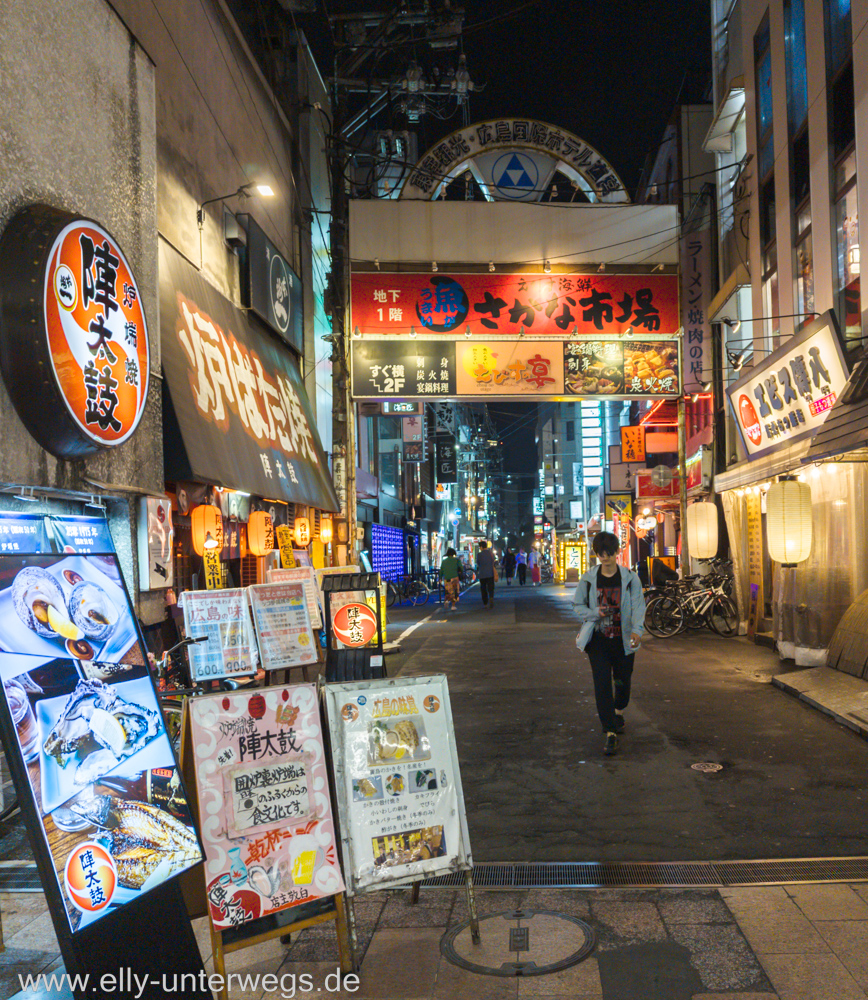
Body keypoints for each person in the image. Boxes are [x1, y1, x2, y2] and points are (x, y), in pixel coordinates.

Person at [573, 532, 646, 757]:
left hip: (623, 640)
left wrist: (637, 630)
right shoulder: (587, 579)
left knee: (623, 681)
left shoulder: (631, 578)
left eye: (609, 553)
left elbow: (638, 605)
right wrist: (595, 612)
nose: (605, 558)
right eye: (601, 554)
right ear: (596, 554)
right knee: (602, 684)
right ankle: (610, 731)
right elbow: (578, 606)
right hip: (598, 641)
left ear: (617, 552)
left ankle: (618, 710)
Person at [476, 540, 496, 609]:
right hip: (490, 573)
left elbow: (478, 563)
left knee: (483, 588)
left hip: (482, 574)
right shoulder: (491, 554)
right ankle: (491, 597)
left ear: (481, 547)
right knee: (491, 587)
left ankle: (485, 603)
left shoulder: (479, 554)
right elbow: (493, 562)